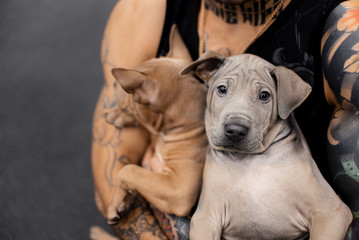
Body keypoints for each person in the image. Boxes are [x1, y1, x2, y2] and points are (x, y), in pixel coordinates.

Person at [91, 0, 359, 239]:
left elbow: (343, 215)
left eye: (264, 95)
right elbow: (114, 161)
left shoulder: (345, 29)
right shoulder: (145, 10)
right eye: (222, 89)